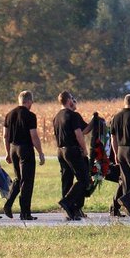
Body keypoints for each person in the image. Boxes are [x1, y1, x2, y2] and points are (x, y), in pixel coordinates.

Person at [2, 91, 45, 220]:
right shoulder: (30, 116)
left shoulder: (9, 115)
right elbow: (34, 136)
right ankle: (25, 212)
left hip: (13, 149)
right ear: (29, 101)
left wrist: (7, 152)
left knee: (18, 178)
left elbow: (5, 136)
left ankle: (8, 204)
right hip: (25, 149)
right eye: (32, 102)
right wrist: (40, 152)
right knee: (27, 181)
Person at [52, 90, 90, 220]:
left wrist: (94, 121)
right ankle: (68, 202)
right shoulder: (73, 115)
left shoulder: (57, 116)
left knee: (67, 179)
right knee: (84, 179)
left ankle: (71, 210)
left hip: (60, 151)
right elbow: (79, 134)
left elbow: (85, 129)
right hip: (72, 150)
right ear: (69, 101)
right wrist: (84, 149)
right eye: (73, 99)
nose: (75, 102)